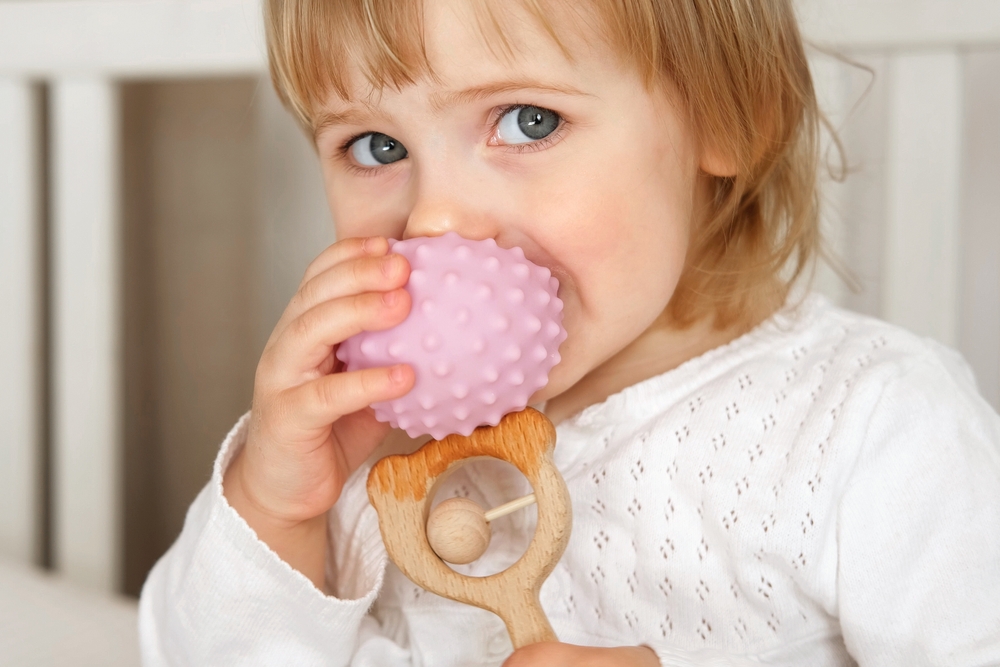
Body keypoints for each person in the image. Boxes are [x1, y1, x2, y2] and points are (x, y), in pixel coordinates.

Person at [138, 0, 1000, 664]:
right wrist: (276, 507)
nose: (434, 221)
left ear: (725, 115)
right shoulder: (363, 449)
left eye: (528, 121)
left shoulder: (874, 425)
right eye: (375, 145)